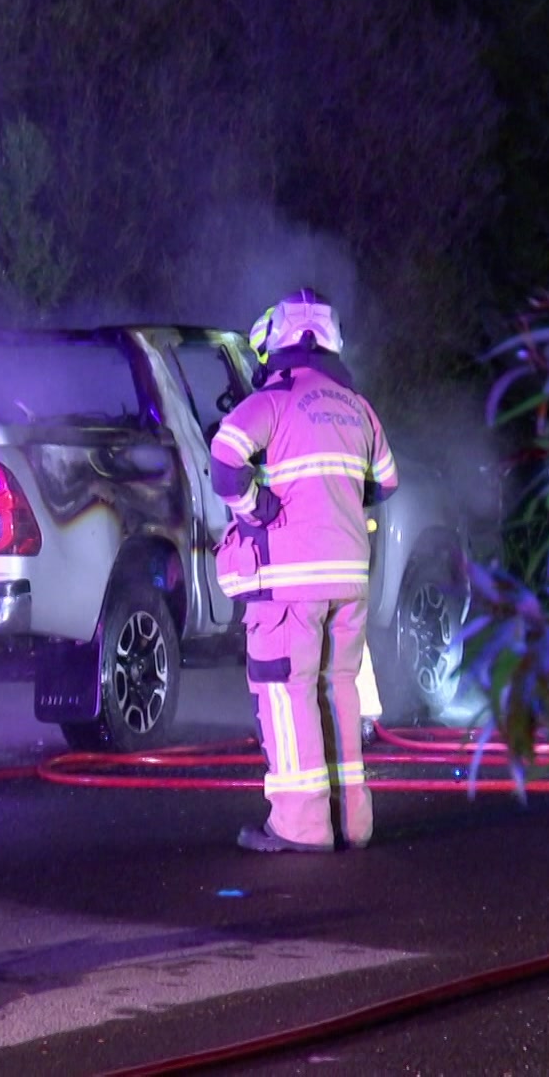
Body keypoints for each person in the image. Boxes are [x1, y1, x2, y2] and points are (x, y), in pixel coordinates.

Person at [212, 289, 397, 851]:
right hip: (350, 581)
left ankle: (300, 826)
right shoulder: (356, 405)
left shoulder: (272, 400)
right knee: (339, 689)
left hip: (290, 584)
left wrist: (254, 507)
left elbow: (224, 458)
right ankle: (352, 822)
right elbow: (384, 482)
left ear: (278, 340)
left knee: (287, 693)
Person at [246, 304, 388, 727]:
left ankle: (304, 724)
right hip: (341, 536)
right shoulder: (341, 400)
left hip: (298, 540)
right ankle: (356, 715)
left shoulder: (277, 399)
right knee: (341, 626)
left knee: (300, 639)